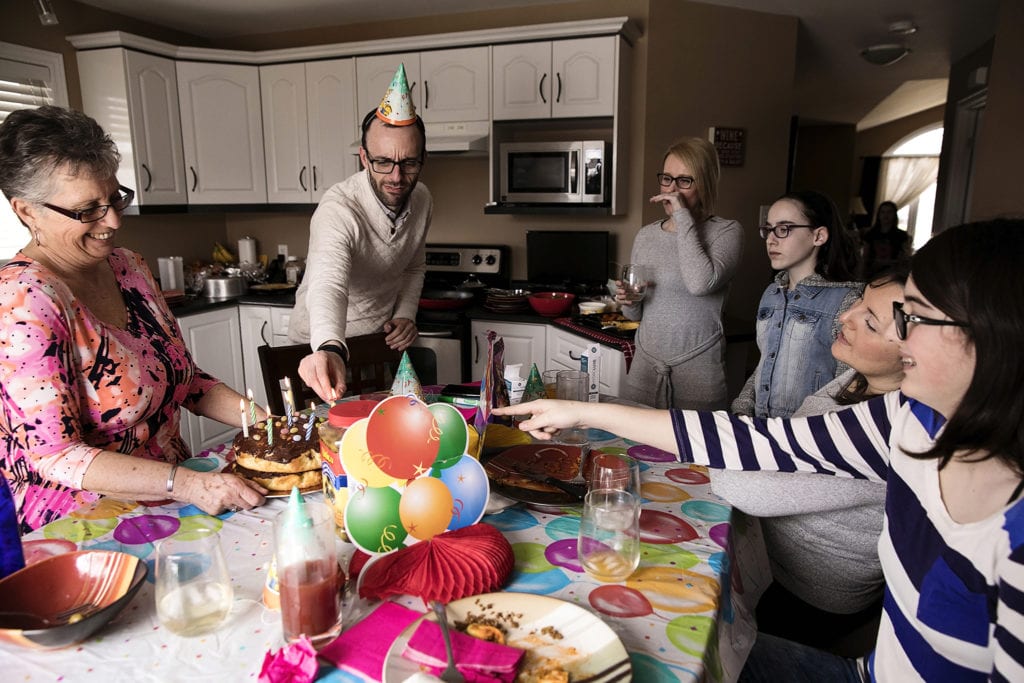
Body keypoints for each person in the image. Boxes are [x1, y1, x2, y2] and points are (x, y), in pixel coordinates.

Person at [495, 217, 1024, 681]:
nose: (898, 339)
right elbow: (758, 443)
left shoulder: (1014, 533)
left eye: (912, 319)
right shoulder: (906, 421)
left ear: (990, 339)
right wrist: (579, 411)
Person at [0, 106, 267, 533]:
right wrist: (188, 485)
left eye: (115, 198)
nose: (113, 221)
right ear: (27, 211)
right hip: (88, 521)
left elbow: (187, 380)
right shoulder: (22, 301)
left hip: (174, 497)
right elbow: (55, 454)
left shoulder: (129, 267)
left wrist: (267, 422)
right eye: (87, 209)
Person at [712, 264, 908, 655]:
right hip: (770, 563)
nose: (844, 316)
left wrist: (733, 438)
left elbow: (741, 486)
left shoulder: (885, 427)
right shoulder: (857, 378)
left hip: (807, 599)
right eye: (857, 305)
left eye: (868, 321)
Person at [290, 65, 432, 402]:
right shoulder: (339, 209)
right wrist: (329, 346)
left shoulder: (424, 199)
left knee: (379, 438)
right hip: (320, 346)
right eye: (383, 162)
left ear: (423, 158)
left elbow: (413, 266)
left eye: (409, 163)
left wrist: (404, 314)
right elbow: (329, 284)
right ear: (364, 158)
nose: (397, 177)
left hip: (376, 343)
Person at [616, 137, 743, 410]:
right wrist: (629, 300)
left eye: (685, 181)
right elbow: (634, 315)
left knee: (692, 452)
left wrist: (682, 216)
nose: (672, 190)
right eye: (667, 179)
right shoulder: (646, 235)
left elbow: (700, 283)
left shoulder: (727, 232)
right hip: (644, 369)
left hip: (698, 374)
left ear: (706, 184)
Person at [732, 190, 862, 419]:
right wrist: (742, 410)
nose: (771, 239)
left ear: (818, 236)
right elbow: (765, 363)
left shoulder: (848, 300)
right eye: (769, 229)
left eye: (784, 229)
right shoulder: (772, 293)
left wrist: (799, 431)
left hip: (808, 434)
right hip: (761, 428)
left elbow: (849, 382)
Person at [861, 200, 911, 275]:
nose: (886, 215)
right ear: (879, 215)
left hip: (893, 274)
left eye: (889, 212)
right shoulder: (870, 234)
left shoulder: (901, 235)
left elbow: (905, 258)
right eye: (883, 212)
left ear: (894, 215)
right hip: (872, 273)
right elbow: (865, 256)